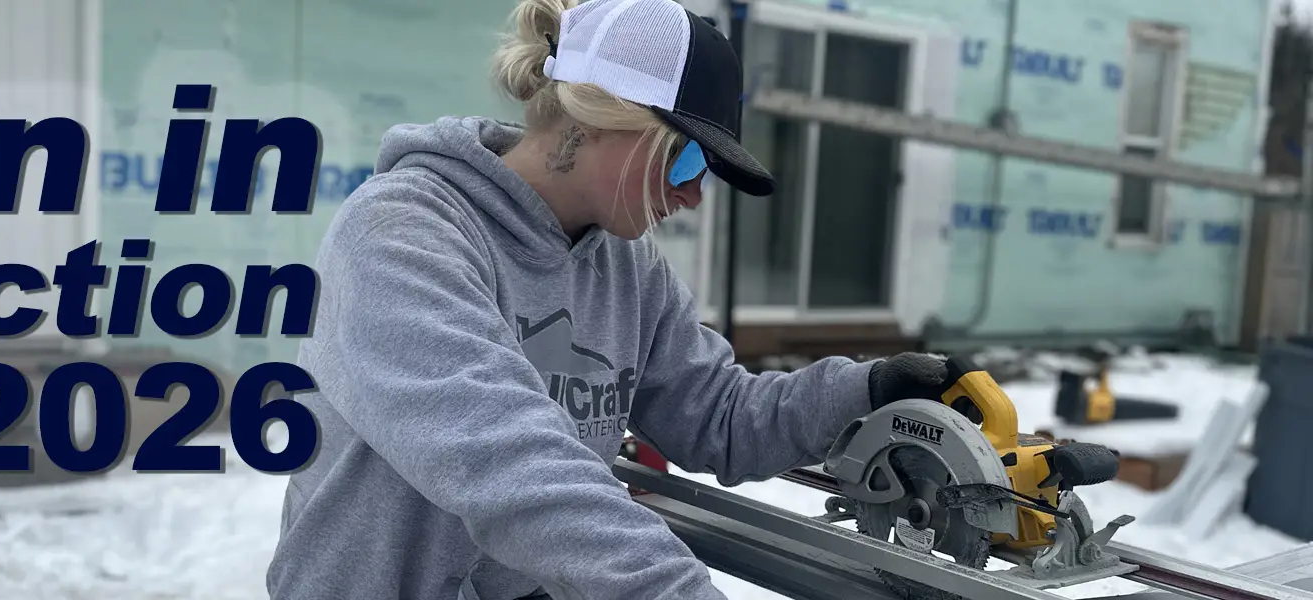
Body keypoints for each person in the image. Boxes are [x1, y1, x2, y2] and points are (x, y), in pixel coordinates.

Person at [265, 0, 951, 598]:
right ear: (598, 114)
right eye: (686, 160)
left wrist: (869, 388)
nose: (692, 196)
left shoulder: (628, 267)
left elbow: (720, 417)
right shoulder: (401, 235)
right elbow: (508, 464)